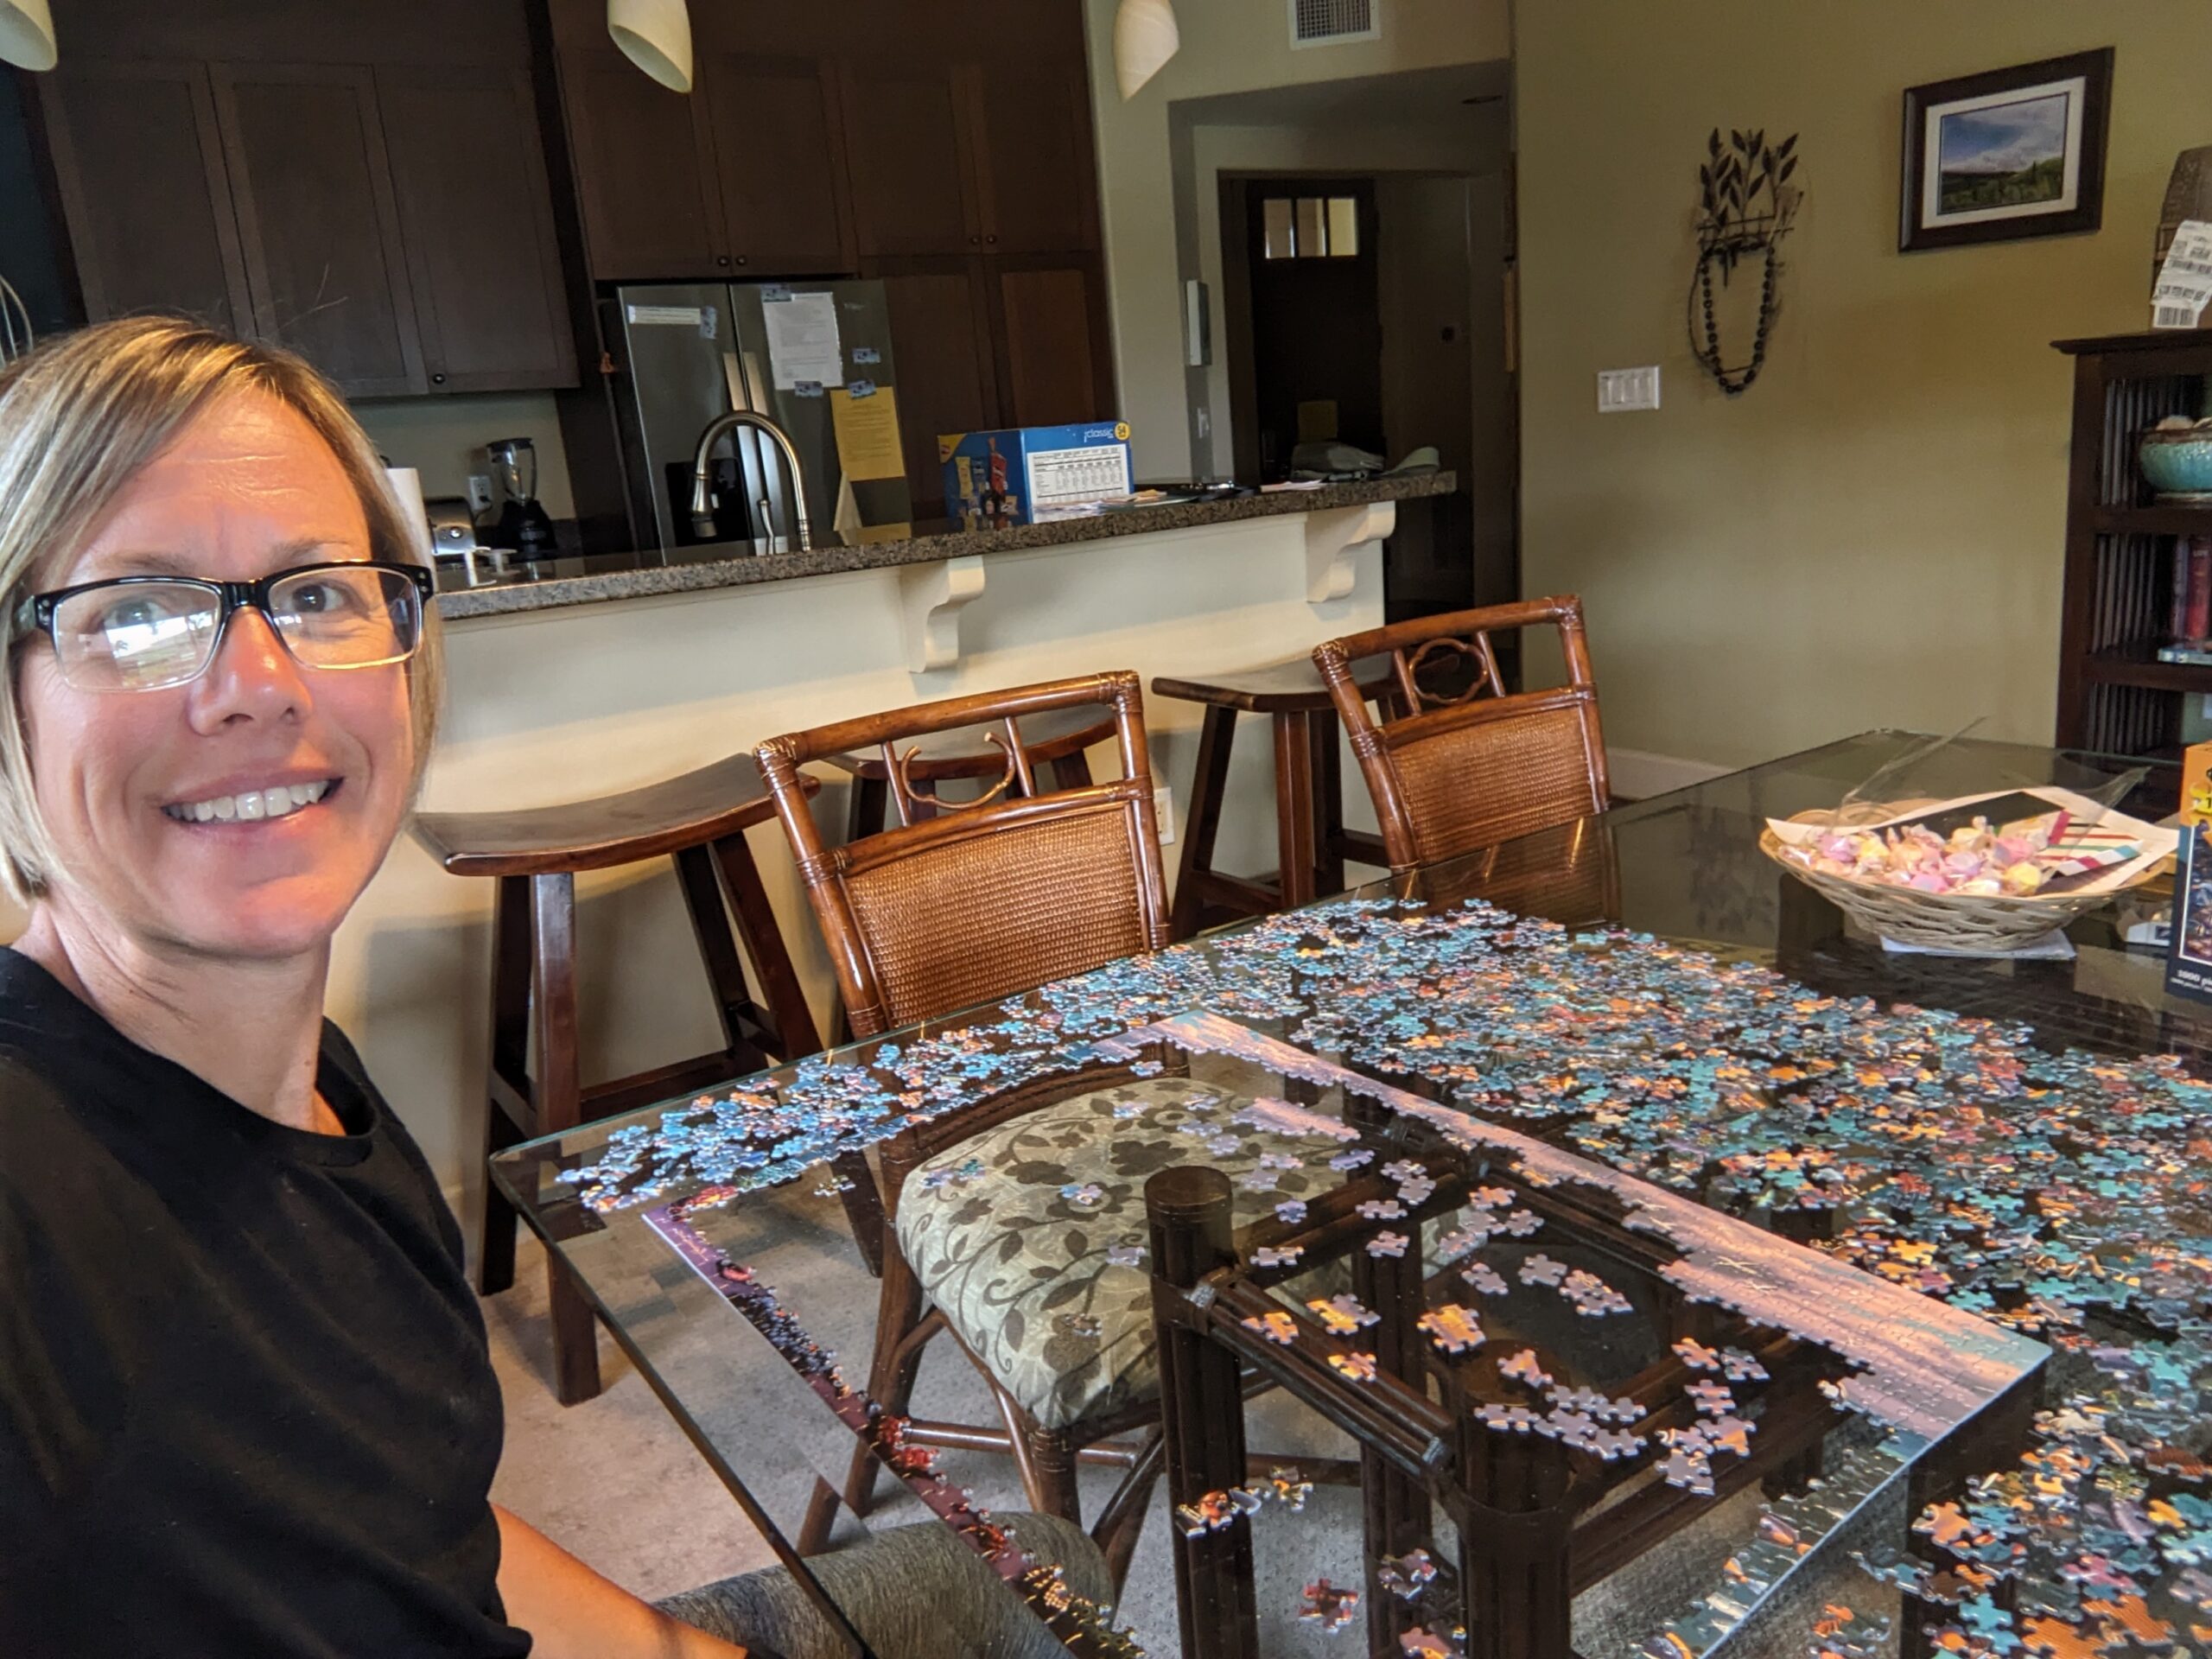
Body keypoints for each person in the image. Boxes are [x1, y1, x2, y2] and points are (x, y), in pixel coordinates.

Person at [0, 317, 753, 1656]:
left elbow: (418, 1531)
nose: (257, 686)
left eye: (315, 595)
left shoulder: (321, 1091)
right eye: (136, 614)